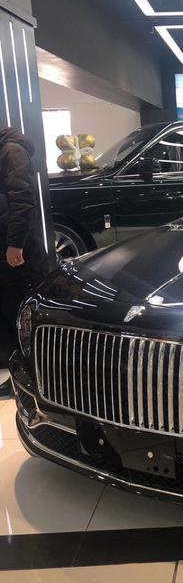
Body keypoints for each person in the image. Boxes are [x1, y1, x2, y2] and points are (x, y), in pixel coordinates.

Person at [0, 127, 47, 398]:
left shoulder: (12, 151)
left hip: (15, 252)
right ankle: (19, 378)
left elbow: (23, 202)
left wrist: (15, 244)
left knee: (18, 313)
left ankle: (30, 381)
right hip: (6, 247)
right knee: (9, 313)